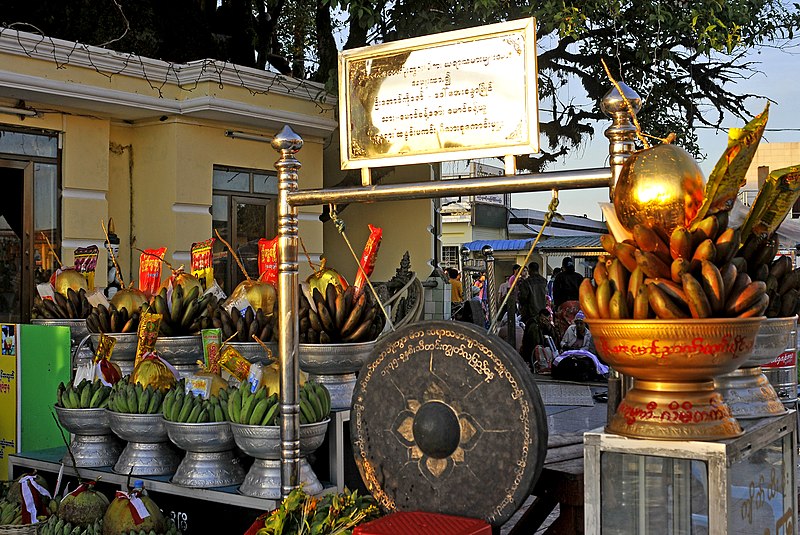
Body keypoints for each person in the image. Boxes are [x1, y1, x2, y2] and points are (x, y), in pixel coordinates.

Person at [553, 257, 584, 341]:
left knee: (564, 329)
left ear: (563, 266)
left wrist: (556, 306)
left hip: (564, 306)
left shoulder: (559, 277)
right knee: (578, 327)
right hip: (578, 306)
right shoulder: (579, 277)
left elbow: (556, 293)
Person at [518, 261, 547, 327]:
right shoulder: (544, 281)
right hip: (542, 312)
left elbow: (523, 298)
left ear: (530, 270)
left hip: (530, 313)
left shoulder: (526, 282)